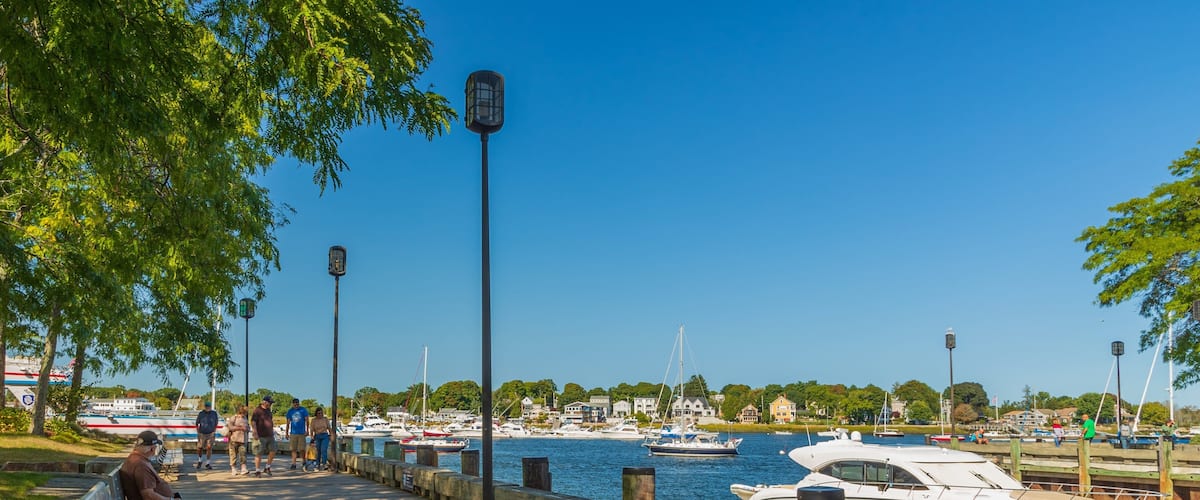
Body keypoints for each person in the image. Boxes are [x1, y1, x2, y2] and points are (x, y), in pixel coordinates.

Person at [119, 430, 182, 499]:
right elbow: (148, 495)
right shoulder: (141, 466)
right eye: (155, 446)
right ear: (152, 449)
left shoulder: (135, 459)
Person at [251, 395, 277, 477]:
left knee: (273, 450)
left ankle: (267, 467)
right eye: (269, 403)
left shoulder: (269, 410)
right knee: (259, 453)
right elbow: (253, 421)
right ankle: (257, 470)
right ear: (264, 402)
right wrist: (255, 432)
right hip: (260, 435)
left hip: (270, 434)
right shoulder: (257, 410)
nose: (270, 404)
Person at [286, 398, 310, 470]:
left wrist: (307, 430)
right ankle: (294, 463)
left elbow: (307, 420)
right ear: (293, 404)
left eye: (297, 403)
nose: (296, 404)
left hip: (301, 432)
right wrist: (286, 433)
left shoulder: (303, 410)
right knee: (293, 449)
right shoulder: (290, 411)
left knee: (302, 449)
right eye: (295, 403)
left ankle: (304, 461)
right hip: (293, 432)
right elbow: (288, 423)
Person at [194, 401, 219, 470]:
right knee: (200, 447)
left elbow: (216, 422)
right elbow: (197, 423)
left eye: (209, 407)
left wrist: (214, 431)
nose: (208, 408)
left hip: (210, 433)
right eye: (206, 407)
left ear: (210, 407)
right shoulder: (201, 413)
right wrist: (198, 431)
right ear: (205, 407)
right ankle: (200, 460)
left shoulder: (214, 413)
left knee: (209, 447)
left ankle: (208, 463)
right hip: (202, 433)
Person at [227, 405, 250, 475]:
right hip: (234, 439)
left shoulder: (245, 418)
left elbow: (248, 427)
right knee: (233, 455)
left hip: (243, 440)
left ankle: (243, 468)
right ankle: (233, 468)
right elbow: (230, 427)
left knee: (243, 454)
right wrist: (240, 428)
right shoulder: (234, 418)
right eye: (245, 411)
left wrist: (247, 429)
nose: (245, 413)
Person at [310, 407, 332, 471]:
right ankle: (317, 464)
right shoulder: (313, 420)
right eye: (319, 413)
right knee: (318, 451)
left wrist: (330, 435)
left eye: (321, 413)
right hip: (317, 436)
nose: (320, 414)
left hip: (325, 435)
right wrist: (312, 437)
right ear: (316, 413)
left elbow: (329, 428)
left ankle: (324, 464)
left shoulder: (325, 419)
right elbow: (311, 429)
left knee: (323, 450)